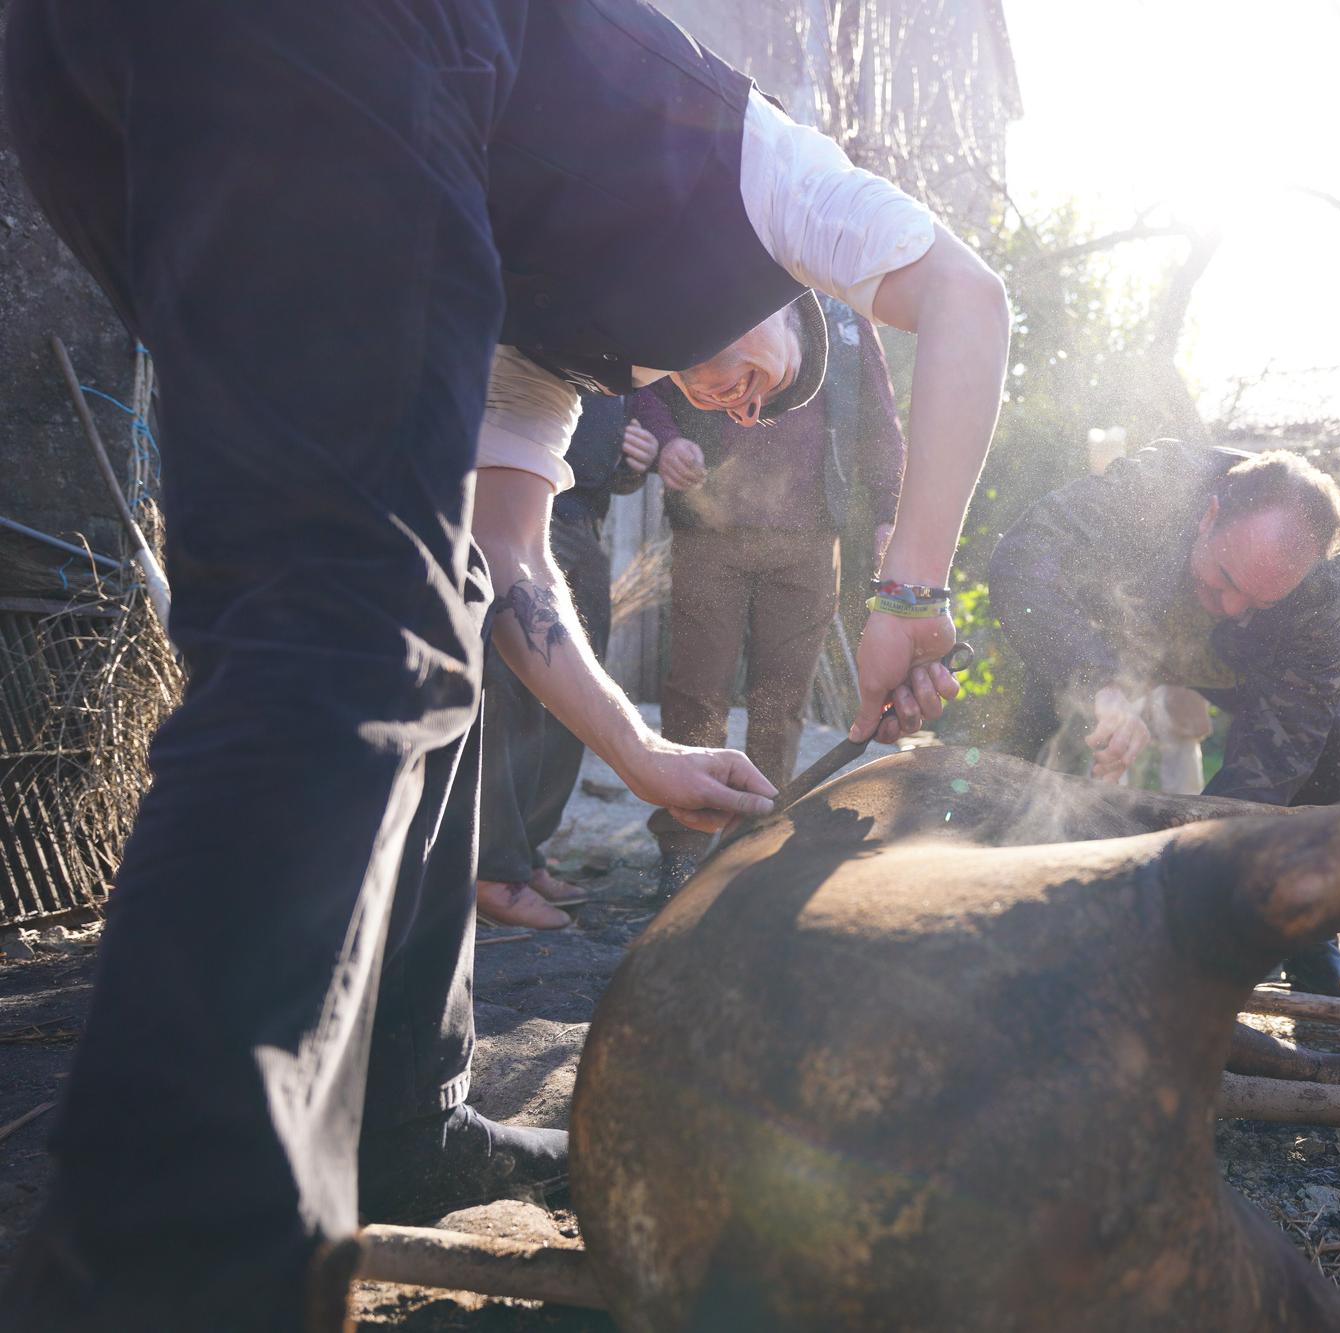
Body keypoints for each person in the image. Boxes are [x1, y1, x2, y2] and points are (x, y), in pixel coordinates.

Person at [0, 1, 1009, 1325]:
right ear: (788, 290)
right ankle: (172, 1263)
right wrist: (912, 586)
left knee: (425, 600)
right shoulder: (759, 173)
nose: (756, 399)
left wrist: (639, 752)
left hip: (98, 64)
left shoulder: (553, 360)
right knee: (342, 615)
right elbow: (969, 299)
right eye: (778, 370)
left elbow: (515, 570)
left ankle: (401, 1126)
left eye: (767, 410)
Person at [988, 441, 1340, 999]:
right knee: (1026, 710)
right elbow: (1023, 559)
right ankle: (988, 880)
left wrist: (1204, 867)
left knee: (1332, 726)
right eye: (1226, 577)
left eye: (1258, 599)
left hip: (1237, 665)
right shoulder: (1152, 487)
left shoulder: (1322, 588)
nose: (1232, 606)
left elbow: (1283, 742)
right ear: (1210, 514)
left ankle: (1311, 935)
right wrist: (1097, 680)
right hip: (1112, 639)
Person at [630, 295, 907, 894]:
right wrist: (668, 441)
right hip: (711, 533)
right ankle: (683, 848)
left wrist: (890, 512)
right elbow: (646, 387)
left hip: (811, 539)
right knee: (697, 690)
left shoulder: (846, 326)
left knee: (782, 698)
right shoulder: (722, 291)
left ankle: (753, 843)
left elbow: (880, 422)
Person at [474, 395, 654, 930]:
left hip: (582, 522)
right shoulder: (546, 322)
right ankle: (493, 871)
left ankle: (527, 857)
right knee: (512, 698)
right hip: (518, 510)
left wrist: (630, 458)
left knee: (574, 701)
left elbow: (611, 452)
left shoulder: (621, 352)